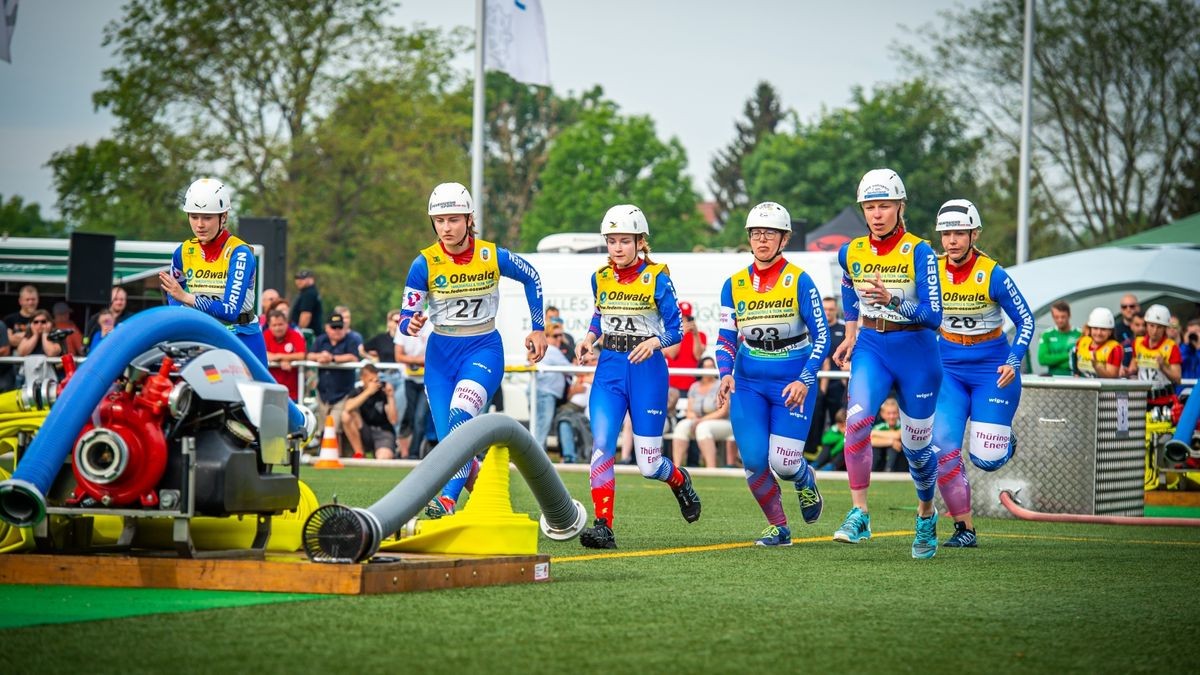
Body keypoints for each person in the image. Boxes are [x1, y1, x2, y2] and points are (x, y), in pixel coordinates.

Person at [399, 182, 548, 517]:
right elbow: (407, 312)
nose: (446, 228)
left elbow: (532, 277)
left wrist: (538, 328)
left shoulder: (491, 255)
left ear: (469, 219)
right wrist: (408, 323)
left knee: (460, 419)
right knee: (451, 445)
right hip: (439, 356)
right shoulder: (424, 263)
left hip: (483, 349)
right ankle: (487, 498)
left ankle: (447, 501)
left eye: (453, 219)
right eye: (439, 221)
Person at [830, 168, 943, 559]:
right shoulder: (851, 250)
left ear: (900, 207)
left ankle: (926, 513)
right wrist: (849, 331)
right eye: (870, 207)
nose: (877, 214)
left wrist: (892, 299)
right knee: (857, 422)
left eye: (885, 206)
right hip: (872, 346)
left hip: (917, 352)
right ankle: (860, 513)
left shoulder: (920, 250)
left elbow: (934, 315)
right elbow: (847, 282)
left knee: (916, 448)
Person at [573, 204, 700, 549]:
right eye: (612, 240)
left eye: (624, 241)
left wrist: (656, 342)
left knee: (649, 463)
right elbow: (600, 313)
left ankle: (679, 481)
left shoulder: (657, 276)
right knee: (601, 445)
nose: (617, 247)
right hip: (610, 368)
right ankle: (604, 526)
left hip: (647, 371)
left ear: (640, 242)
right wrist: (588, 338)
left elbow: (677, 330)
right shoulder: (599, 276)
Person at [716, 201, 828, 546]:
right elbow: (724, 339)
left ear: (785, 239)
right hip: (748, 382)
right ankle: (779, 527)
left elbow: (822, 335)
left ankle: (805, 478)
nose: (762, 240)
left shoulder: (800, 280)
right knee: (752, 459)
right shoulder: (733, 284)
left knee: (784, 462)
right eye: (756, 234)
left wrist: (805, 379)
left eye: (770, 234)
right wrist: (725, 372)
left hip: (790, 381)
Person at [929, 199, 1034, 548]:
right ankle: (965, 529)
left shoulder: (992, 273)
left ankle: (1004, 441)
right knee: (942, 450)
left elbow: (1026, 321)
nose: (952, 241)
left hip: (993, 369)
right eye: (946, 234)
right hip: (950, 371)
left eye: (959, 233)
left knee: (986, 460)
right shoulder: (932, 270)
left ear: (974, 234)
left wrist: (1014, 359)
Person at [158, 178, 267, 365]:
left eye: (207, 217)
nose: (200, 224)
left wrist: (187, 298)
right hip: (204, 336)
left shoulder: (239, 253)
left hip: (241, 337)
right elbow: (174, 297)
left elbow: (230, 311)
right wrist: (184, 323)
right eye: (194, 217)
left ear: (223, 217)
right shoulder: (183, 252)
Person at [309, 313, 363, 455]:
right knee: (322, 428)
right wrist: (320, 357)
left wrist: (332, 358)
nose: (337, 330)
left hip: (342, 393)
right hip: (323, 392)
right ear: (327, 328)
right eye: (334, 328)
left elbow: (353, 357)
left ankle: (335, 456)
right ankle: (324, 455)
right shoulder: (321, 340)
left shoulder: (351, 340)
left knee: (334, 427)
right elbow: (309, 355)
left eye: (340, 327)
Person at [672, 356, 733, 469]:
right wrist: (695, 419)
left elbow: (722, 412)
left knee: (703, 428)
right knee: (681, 427)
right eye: (706, 367)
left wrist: (700, 421)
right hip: (698, 421)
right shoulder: (694, 386)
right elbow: (689, 411)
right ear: (701, 368)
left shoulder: (721, 385)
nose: (708, 369)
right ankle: (677, 469)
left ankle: (711, 469)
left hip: (723, 423)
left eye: (711, 366)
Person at [342, 363, 399, 460]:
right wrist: (368, 392)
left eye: (375, 379)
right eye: (370, 380)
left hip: (383, 432)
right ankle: (359, 453)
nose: (374, 383)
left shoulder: (383, 390)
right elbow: (347, 407)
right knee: (346, 415)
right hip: (365, 431)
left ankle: (386, 451)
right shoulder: (358, 391)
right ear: (362, 379)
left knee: (384, 458)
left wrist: (390, 397)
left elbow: (393, 420)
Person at [394, 317, 432, 459]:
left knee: (420, 418)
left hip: (426, 381)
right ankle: (403, 451)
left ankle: (413, 453)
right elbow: (398, 356)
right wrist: (419, 361)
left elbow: (433, 356)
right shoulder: (402, 326)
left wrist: (411, 359)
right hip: (408, 380)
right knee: (407, 417)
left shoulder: (432, 324)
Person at [664, 300, 707, 422]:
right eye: (682, 317)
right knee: (671, 416)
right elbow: (672, 354)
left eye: (688, 318)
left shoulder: (701, 335)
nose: (685, 321)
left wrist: (695, 334)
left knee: (690, 417)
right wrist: (681, 333)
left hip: (692, 385)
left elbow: (698, 355)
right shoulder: (670, 335)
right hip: (673, 385)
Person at [532, 323, 572, 451]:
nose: (560, 339)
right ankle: (536, 460)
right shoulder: (552, 350)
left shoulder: (546, 349)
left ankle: (535, 458)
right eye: (556, 335)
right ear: (546, 336)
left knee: (538, 427)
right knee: (541, 429)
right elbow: (570, 370)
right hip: (545, 393)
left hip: (542, 392)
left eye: (561, 335)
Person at [1134, 304, 1182, 412]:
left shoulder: (1171, 347)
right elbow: (1133, 367)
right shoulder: (1137, 343)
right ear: (1146, 325)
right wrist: (1126, 370)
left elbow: (1177, 378)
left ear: (1165, 328)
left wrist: (1163, 366)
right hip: (1141, 400)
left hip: (1164, 401)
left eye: (1159, 327)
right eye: (1151, 325)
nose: (1155, 331)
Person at [263, 309, 307, 401]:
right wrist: (282, 358)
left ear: (286, 323)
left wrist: (279, 357)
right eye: (274, 325)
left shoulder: (295, 335)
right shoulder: (265, 335)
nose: (278, 328)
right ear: (269, 326)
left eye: (280, 324)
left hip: (293, 393)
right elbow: (262, 353)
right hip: (270, 391)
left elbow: (302, 355)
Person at [1073, 308, 1122, 378]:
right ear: (1090, 329)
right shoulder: (1082, 342)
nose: (1099, 333)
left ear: (1110, 331)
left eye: (1103, 329)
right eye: (1095, 328)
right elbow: (1074, 358)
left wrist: (1096, 366)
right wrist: (1076, 374)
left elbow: (1112, 378)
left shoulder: (1115, 348)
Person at [1037, 300, 1081, 376]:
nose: (1060, 320)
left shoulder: (1080, 334)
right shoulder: (1046, 334)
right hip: (1054, 378)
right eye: (1056, 317)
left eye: (1063, 317)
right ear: (1052, 317)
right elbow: (1042, 359)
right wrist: (1070, 355)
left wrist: (1054, 360)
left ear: (1069, 315)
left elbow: (1082, 358)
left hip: (1076, 378)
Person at [870, 398, 906, 472]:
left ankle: (889, 471)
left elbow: (897, 435)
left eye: (894, 413)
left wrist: (874, 433)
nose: (891, 416)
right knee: (876, 449)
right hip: (882, 457)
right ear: (882, 414)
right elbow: (870, 440)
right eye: (888, 413)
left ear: (899, 413)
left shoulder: (904, 425)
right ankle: (873, 471)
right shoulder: (880, 426)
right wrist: (891, 442)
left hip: (902, 459)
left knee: (894, 448)